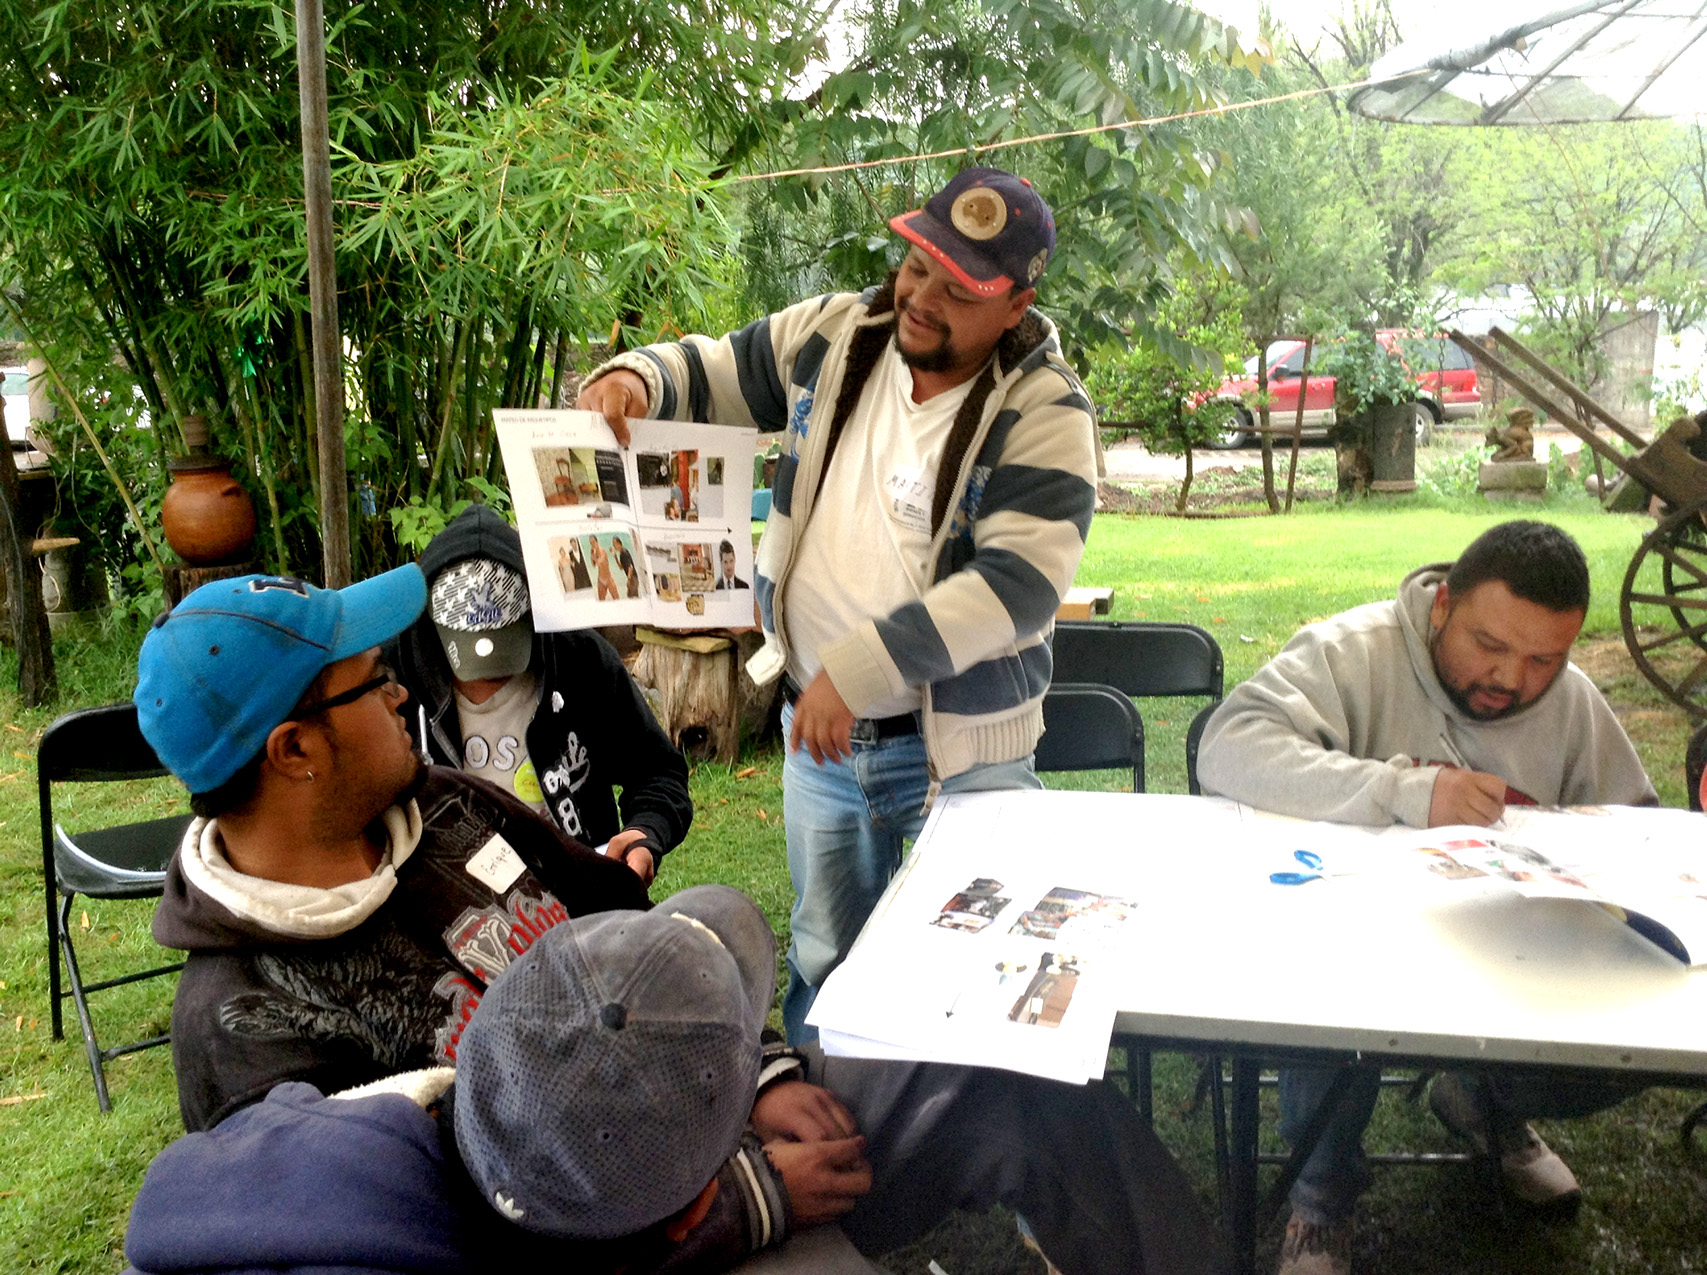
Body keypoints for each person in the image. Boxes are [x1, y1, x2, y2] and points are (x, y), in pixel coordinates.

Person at [577, 167, 1098, 1042]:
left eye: (959, 288)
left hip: (964, 751)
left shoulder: (1046, 410)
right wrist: (637, 378)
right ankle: (827, 1114)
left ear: (1016, 303)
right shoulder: (836, 334)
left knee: (979, 972)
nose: (921, 298)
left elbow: (1016, 586)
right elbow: (719, 369)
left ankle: (950, 1123)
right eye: (917, 264)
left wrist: (855, 671)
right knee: (825, 958)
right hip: (819, 738)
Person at [124, 883, 1231, 1275]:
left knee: (998, 1074)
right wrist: (754, 1200)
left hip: (592, 1203)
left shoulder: (356, 1127)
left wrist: (760, 1070)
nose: (399, 690)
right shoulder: (241, 1021)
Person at [1194, 519, 1657, 1275]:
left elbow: (1638, 824)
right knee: (1325, 998)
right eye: (1489, 644)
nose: (1511, 678)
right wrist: (1404, 790)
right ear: (1442, 605)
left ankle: (1485, 1100)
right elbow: (1229, 744)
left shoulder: (1570, 700)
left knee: (1630, 1038)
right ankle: (1319, 1204)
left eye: (1543, 658)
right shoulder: (1352, 651)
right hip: (1348, 939)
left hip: (1509, 957)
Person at [134, 567, 653, 1132]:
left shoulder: (447, 801)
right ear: (295, 749)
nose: (400, 694)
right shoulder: (245, 1032)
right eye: (377, 679)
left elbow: (627, 923)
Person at [389, 505, 691, 882]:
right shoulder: (393, 683)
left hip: (575, 893)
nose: (490, 675)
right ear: (433, 628)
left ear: (532, 616)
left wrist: (644, 833)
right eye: (469, 657)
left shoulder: (579, 659)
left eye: (504, 650)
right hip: (448, 900)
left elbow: (657, 770)